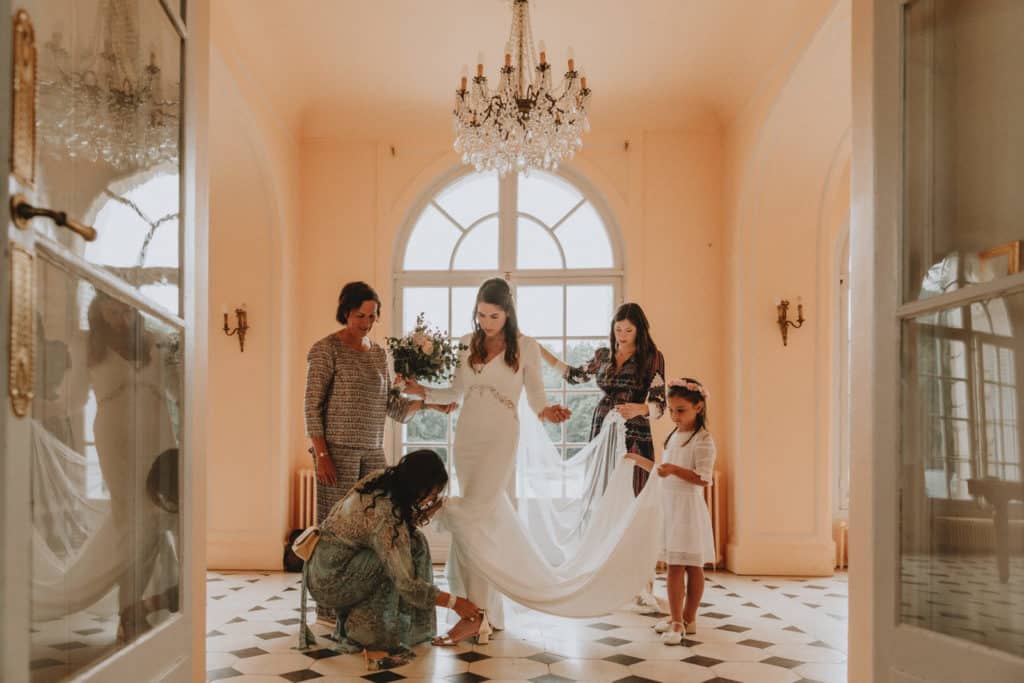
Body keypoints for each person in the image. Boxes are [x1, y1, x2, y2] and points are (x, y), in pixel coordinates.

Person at [403, 278, 570, 633]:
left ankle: (475, 614)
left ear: (508, 313)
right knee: (478, 521)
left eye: (493, 316)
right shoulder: (466, 344)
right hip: (468, 435)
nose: (485, 322)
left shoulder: (526, 347)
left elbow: (537, 398)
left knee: (476, 511)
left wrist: (548, 412)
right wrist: (423, 391)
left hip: (501, 435)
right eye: (480, 315)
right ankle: (480, 612)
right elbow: (456, 391)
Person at [304, 281, 453, 620]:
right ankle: (329, 608)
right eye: (360, 316)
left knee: (380, 523)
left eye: (372, 317)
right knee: (335, 530)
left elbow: (393, 407)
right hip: (336, 453)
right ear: (345, 312)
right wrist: (322, 455)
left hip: (372, 451)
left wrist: (431, 405)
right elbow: (311, 407)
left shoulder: (378, 354)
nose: (367, 323)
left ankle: (365, 601)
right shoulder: (325, 349)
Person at [299, 450, 485, 664]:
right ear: (418, 487)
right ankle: (368, 631)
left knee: (413, 543)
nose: (430, 500)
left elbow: (394, 529)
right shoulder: (385, 514)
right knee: (392, 562)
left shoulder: (381, 480)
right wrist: (455, 602)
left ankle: (397, 626)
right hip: (329, 581)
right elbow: (406, 583)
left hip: (323, 565)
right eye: (431, 494)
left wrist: (429, 511)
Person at [541, 302, 666, 496]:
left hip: (633, 431)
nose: (622, 336)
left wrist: (640, 409)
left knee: (633, 488)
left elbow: (660, 404)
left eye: (628, 330)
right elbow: (574, 376)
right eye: (618, 329)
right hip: (602, 427)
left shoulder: (652, 358)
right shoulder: (603, 355)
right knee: (602, 487)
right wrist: (541, 351)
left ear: (639, 331)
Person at [627, 377, 716, 644]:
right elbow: (662, 469)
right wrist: (637, 460)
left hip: (688, 508)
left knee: (691, 565)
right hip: (671, 507)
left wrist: (675, 470)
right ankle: (678, 619)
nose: (675, 416)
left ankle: (687, 619)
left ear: (698, 407)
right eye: (672, 410)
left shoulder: (703, 440)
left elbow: (703, 478)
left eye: (681, 410)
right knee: (674, 565)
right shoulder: (674, 436)